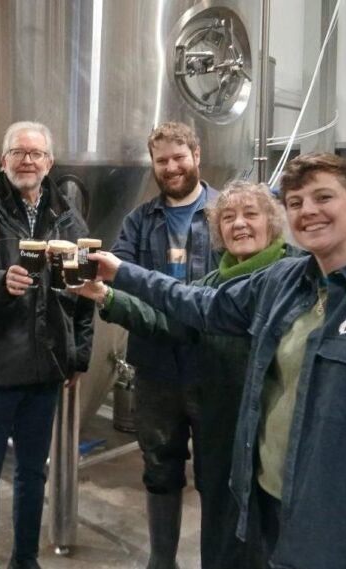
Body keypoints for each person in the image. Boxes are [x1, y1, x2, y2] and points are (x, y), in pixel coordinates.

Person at [95, 153, 346, 569]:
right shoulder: (285, 281)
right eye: (296, 202)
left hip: (337, 528)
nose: (309, 211)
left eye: (324, 197)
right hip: (261, 505)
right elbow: (197, 302)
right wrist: (120, 273)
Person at [73, 180, 295, 568]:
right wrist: (105, 296)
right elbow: (171, 320)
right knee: (222, 535)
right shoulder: (213, 283)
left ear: (273, 223)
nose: (239, 224)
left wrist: (123, 275)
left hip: (270, 439)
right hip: (220, 427)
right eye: (228, 218)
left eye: (250, 214)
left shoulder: (291, 276)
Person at [0, 121, 94, 569]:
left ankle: (25, 560)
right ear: (4, 158)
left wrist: (78, 355)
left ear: (49, 163)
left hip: (44, 368)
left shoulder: (69, 218)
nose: (27, 161)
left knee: (34, 475)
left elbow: (84, 294)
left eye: (36, 154)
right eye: (18, 152)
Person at [109, 121, 219, 569]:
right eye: (162, 161)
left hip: (214, 367)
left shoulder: (224, 213)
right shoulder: (139, 221)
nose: (171, 168)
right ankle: (162, 561)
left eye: (179, 157)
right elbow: (122, 282)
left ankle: (218, 559)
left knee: (216, 472)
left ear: (196, 155)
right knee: (159, 465)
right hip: (156, 367)